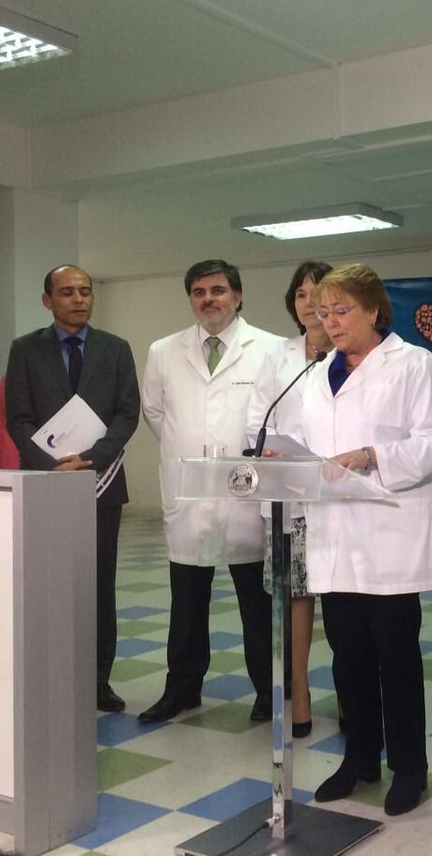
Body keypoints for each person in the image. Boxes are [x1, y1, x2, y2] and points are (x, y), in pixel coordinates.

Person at [298, 264, 432, 817]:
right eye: (324, 313)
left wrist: (372, 456)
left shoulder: (413, 364)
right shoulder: (318, 374)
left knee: (396, 660)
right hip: (334, 535)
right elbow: (308, 445)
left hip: (389, 536)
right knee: (347, 657)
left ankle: (409, 768)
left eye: (342, 311)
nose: (331, 323)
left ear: (373, 311)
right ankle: (359, 758)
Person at [140, 259, 284, 725]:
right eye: (199, 292)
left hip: (247, 491)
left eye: (218, 290)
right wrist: (189, 450)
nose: (209, 300)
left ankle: (268, 691)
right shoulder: (164, 350)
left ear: (237, 296)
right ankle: (182, 689)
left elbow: (278, 415)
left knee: (257, 602)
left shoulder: (271, 348)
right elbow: (155, 414)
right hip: (190, 493)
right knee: (186, 601)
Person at [6, 265, 140, 713]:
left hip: (101, 483)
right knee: (46, 583)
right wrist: (53, 465)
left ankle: (98, 681)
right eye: (67, 292)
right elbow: (18, 418)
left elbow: (127, 412)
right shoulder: (25, 349)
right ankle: (49, 676)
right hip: (44, 484)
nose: (79, 299)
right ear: (48, 300)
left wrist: (93, 457)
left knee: (98, 585)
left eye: (85, 291)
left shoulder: (115, 349)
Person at [245, 260, 333, 737]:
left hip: (337, 496)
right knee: (296, 597)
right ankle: (299, 694)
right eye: (301, 295)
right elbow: (256, 419)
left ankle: (352, 692)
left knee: (341, 602)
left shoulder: (351, 353)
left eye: (319, 294)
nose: (310, 304)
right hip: (288, 497)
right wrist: (271, 451)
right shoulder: (278, 356)